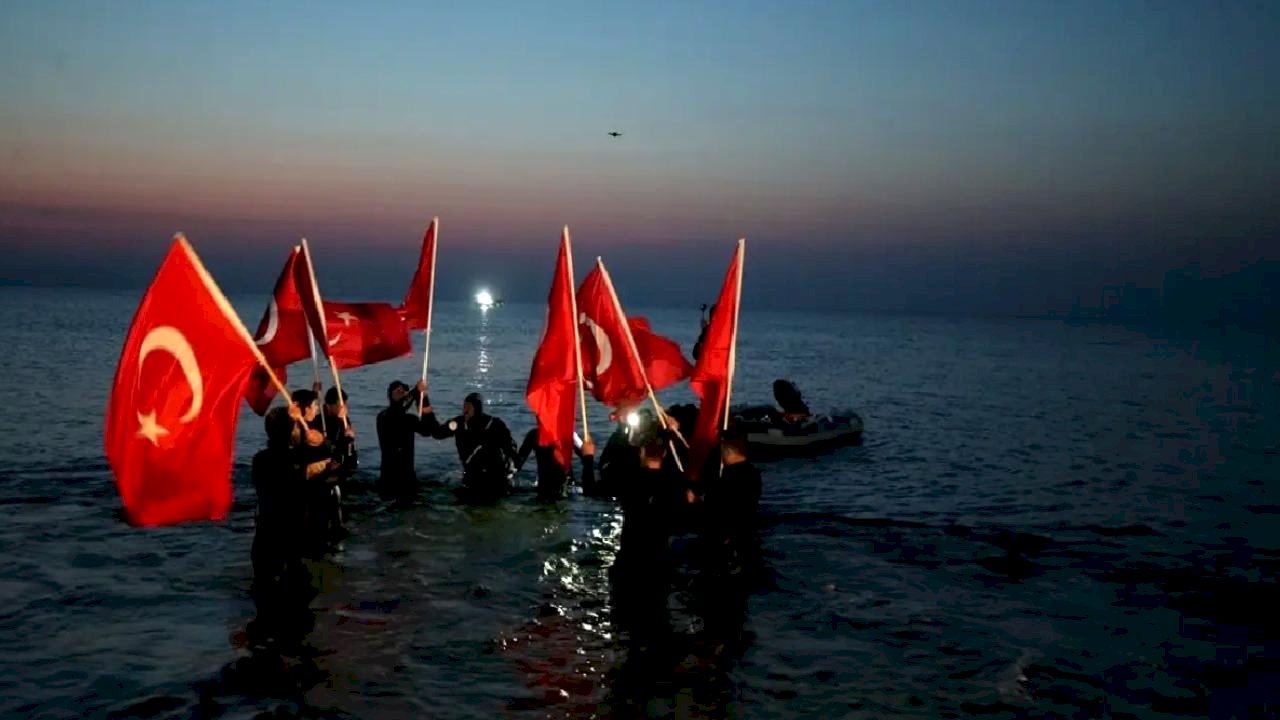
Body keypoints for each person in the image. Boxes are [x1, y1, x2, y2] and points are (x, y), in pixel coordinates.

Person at [248, 404, 331, 651]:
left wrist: (300, 427)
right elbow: (326, 453)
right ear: (289, 431)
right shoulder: (293, 459)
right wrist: (311, 434)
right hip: (288, 545)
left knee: (265, 610)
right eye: (295, 427)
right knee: (296, 612)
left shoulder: (260, 460)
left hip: (265, 542)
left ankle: (263, 654)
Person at [425, 392, 517, 503]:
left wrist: (511, 469)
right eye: (464, 407)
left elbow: (511, 448)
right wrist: (425, 404)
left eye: (469, 407)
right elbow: (437, 433)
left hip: (494, 476)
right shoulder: (457, 424)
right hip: (471, 475)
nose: (465, 411)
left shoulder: (494, 425)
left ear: (477, 409)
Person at [375, 379, 432, 499]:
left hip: (408, 477)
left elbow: (427, 430)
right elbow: (396, 411)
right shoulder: (383, 417)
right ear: (390, 396)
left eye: (403, 392)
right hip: (388, 477)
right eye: (398, 391)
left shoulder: (409, 420)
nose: (401, 394)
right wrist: (416, 391)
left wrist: (423, 399)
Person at [514, 429, 595, 502]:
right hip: (556, 484)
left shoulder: (569, 434)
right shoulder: (534, 434)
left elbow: (517, 464)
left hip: (554, 484)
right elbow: (586, 457)